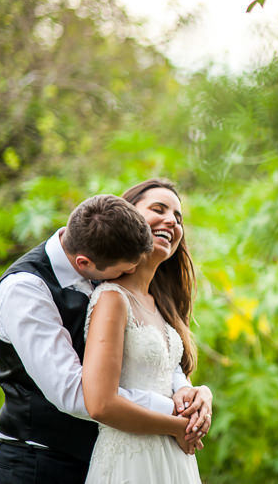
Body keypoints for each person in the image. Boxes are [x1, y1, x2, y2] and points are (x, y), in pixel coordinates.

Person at [0, 193, 212, 484]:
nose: (131, 271)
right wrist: (174, 414)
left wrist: (189, 392)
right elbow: (75, 393)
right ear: (84, 263)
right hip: (40, 461)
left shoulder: (107, 250)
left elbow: (148, 354)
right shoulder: (26, 290)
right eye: (125, 269)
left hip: (109, 452)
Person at [81, 178, 205, 483]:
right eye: (159, 209)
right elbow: (101, 404)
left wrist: (200, 395)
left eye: (178, 217)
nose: (172, 221)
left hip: (174, 460)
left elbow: (169, 375)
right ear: (128, 217)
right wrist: (177, 426)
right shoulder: (112, 299)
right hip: (131, 458)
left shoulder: (161, 304)